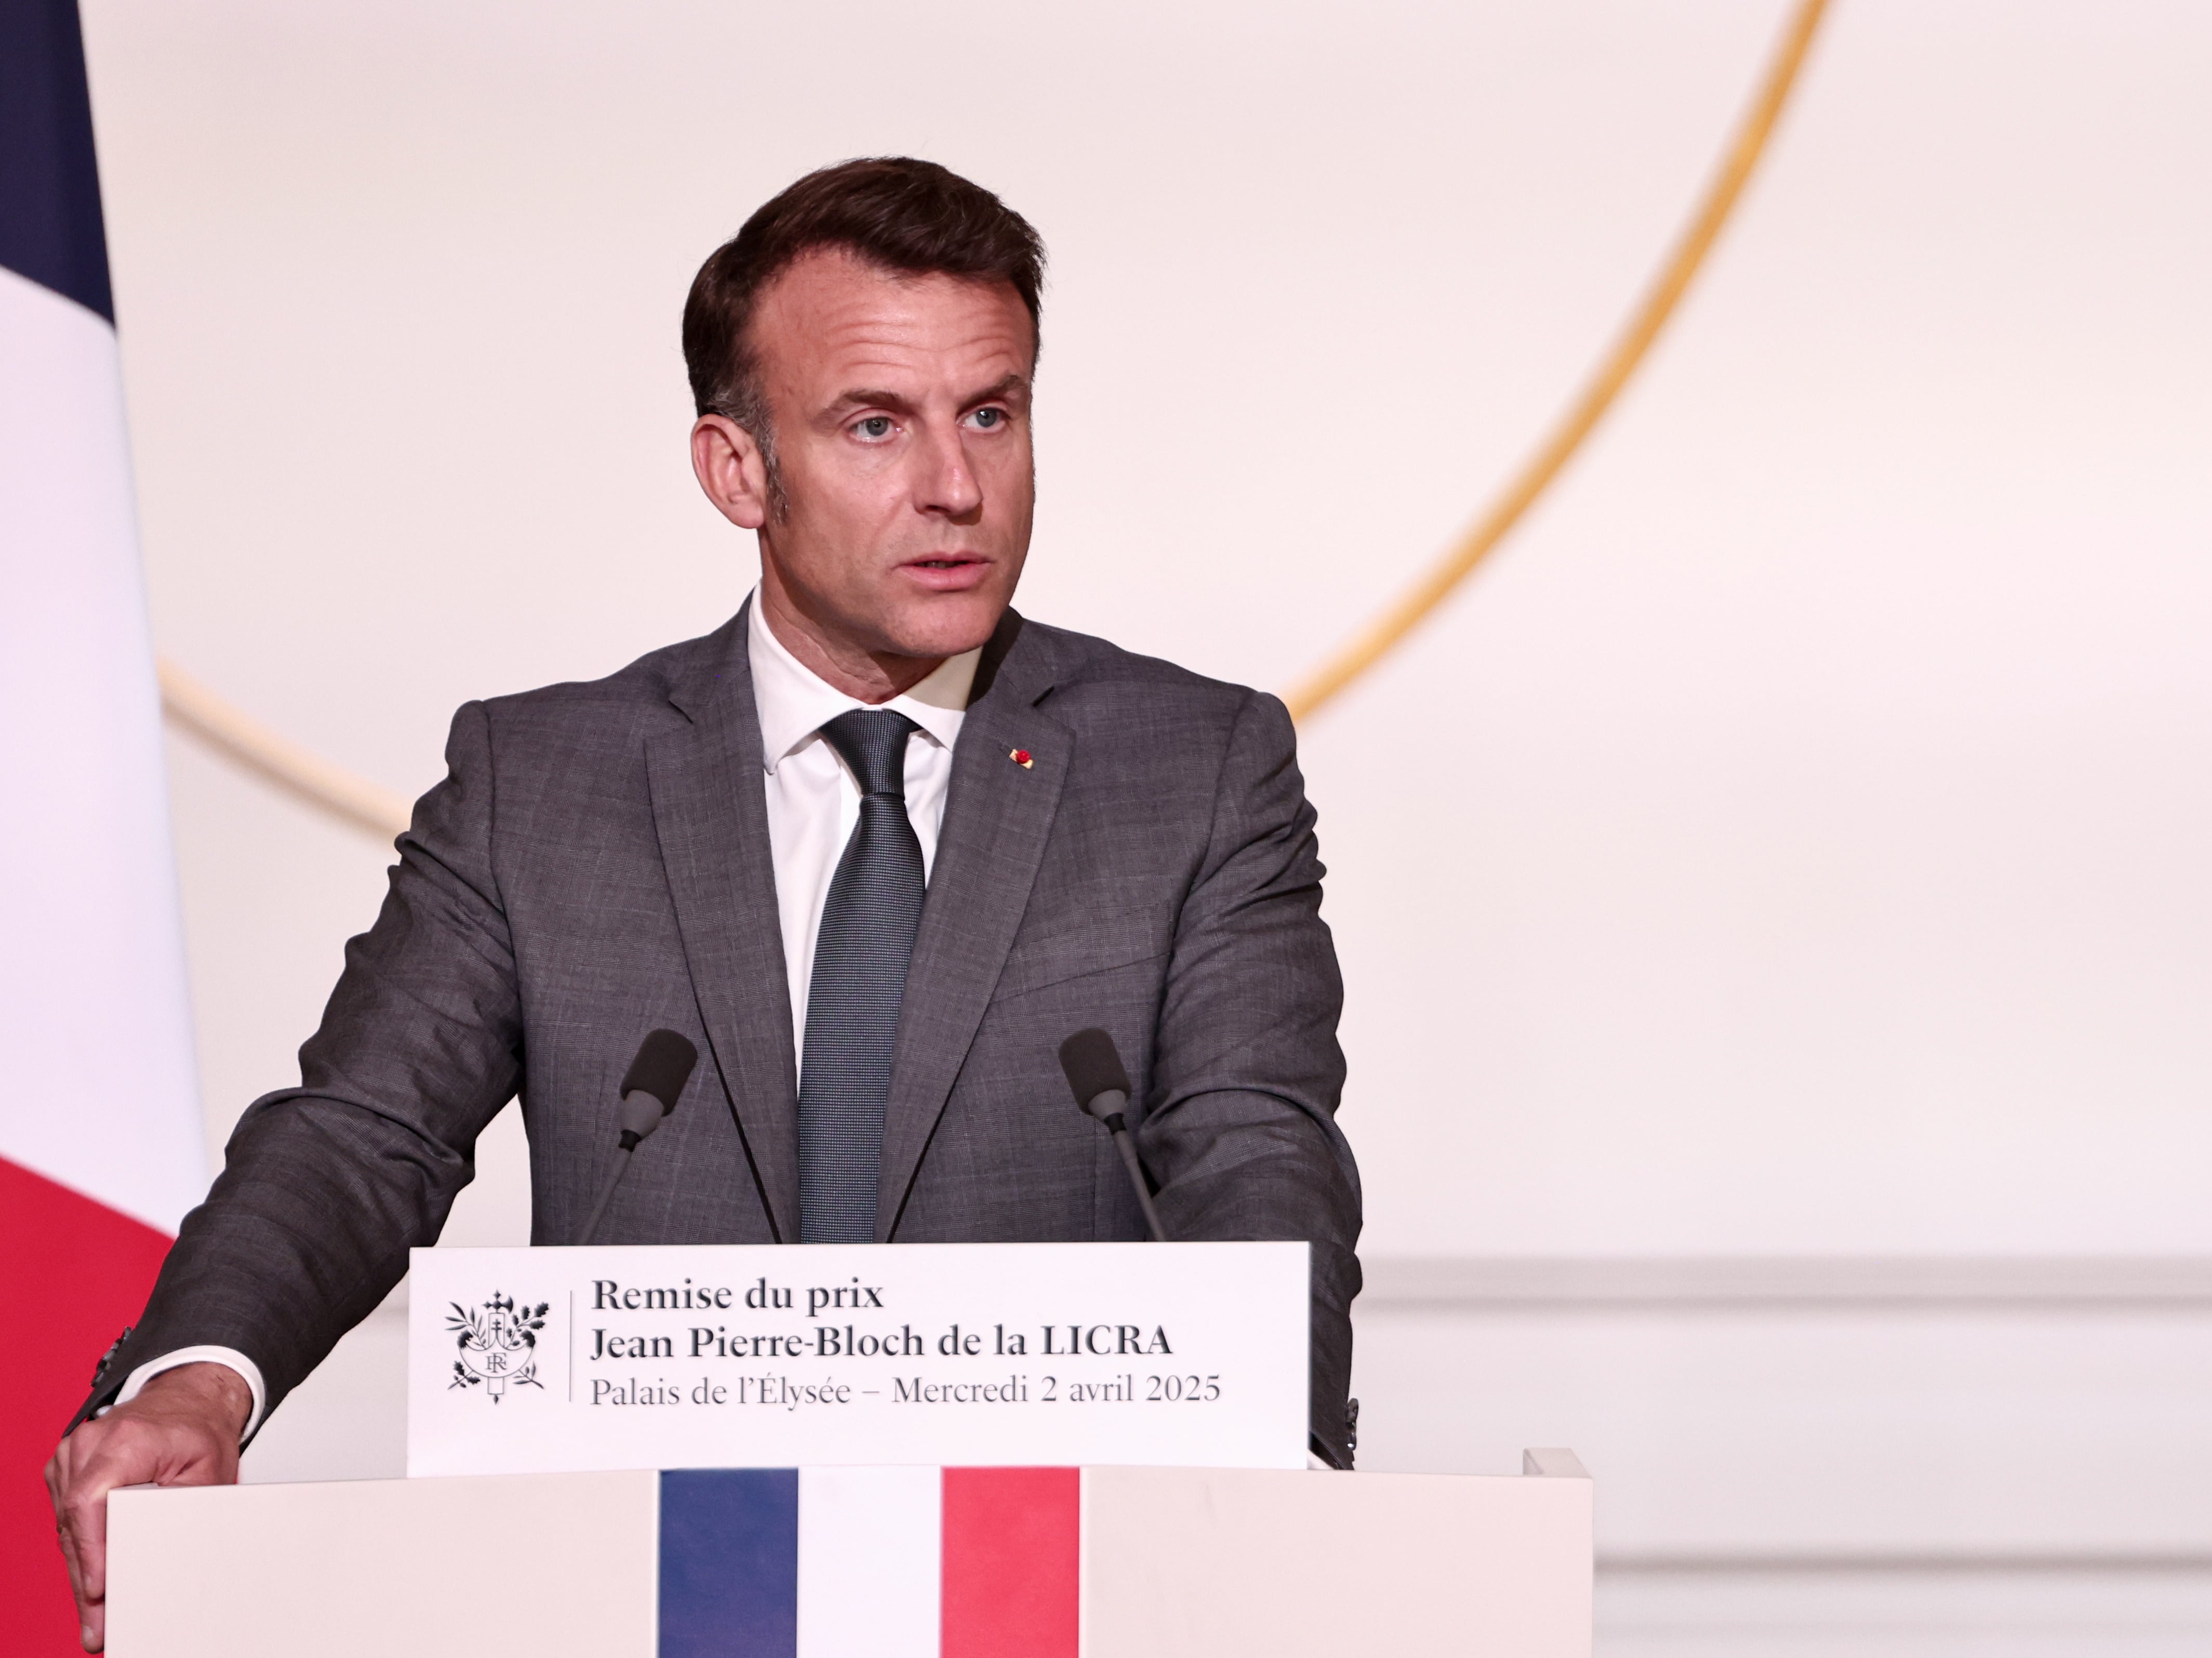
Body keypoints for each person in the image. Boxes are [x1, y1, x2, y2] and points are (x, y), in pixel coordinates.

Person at [45, 157, 1361, 1651]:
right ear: (737, 470)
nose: (956, 486)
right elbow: (365, 1134)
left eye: (990, 411)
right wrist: (197, 1381)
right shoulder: (543, 780)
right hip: (643, 1589)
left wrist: (1283, 1467)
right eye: (875, 424)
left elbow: (1257, 1152)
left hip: (1050, 1586)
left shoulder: (1191, 766)